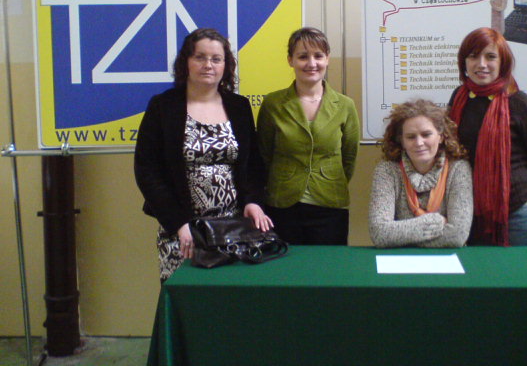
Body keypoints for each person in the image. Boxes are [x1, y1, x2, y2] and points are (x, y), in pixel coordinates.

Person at [134, 28, 272, 281]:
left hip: (232, 230)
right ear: (186, 61)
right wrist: (178, 223)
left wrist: (254, 201)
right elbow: (147, 171)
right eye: (200, 57)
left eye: (216, 59)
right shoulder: (163, 106)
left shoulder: (239, 107)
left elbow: (253, 164)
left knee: (231, 296)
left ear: (225, 65)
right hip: (183, 230)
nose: (208, 65)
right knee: (186, 296)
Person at [448, 27, 527, 260]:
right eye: (473, 56)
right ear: (464, 62)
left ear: (503, 62)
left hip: (521, 215)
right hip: (471, 214)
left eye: (490, 57)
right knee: (481, 281)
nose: (481, 64)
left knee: (520, 282)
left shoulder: (521, 104)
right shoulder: (459, 97)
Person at [257, 27, 360, 245]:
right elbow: (264, 154)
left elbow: (349, 157)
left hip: (330, 203)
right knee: (284, 264)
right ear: (290, 60)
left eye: (318, 56)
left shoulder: (345, 105)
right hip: (282, 204)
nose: (311, 63)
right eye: (303, 56)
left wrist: (328, 177)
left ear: (327, 59)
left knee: (328, 265)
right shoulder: (272, 104)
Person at [368, 100, 473, 248]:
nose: (419, 143)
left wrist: (399, 236)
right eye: (411, 137)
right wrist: (437, 222)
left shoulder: (458, 169)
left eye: (426, 134)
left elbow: (457, 236)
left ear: (441, 136)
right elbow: (379, 234)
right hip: (398, 259)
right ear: (401, 141)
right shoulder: (387, 171)